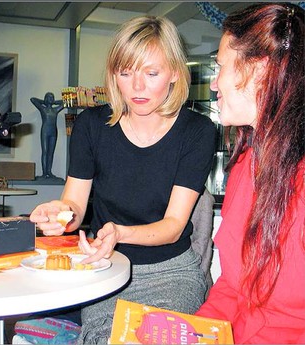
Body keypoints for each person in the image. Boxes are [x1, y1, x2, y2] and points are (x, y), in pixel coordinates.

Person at [30, 15, 216, 344]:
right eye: (126, 73)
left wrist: (120, 233)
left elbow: (173, 225)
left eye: (151, 73)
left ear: (174, 71)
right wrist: (59, 214)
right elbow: (72, 205)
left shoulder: (197, 132)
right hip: (107, 270)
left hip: (170, 272)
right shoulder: (91, 126)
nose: (137, 87)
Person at [195, 3, 305, 344]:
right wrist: (192, 332)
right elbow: (231, 287)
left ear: (259, 71)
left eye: (221, 68)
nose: (215, 84)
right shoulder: (247, 165)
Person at [30, 92, 64, 179]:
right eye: (49, 97)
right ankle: (44, 173)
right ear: (45, 98)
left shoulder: (55, 110)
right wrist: (44, 102)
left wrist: (55, 102)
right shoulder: (43, 109)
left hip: (53, 132)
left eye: (52, 97)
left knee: (51, 153)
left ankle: (49, 171)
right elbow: (33, 100)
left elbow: (65, 103)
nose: (51, 99)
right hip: (45, 131)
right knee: (45, 152)